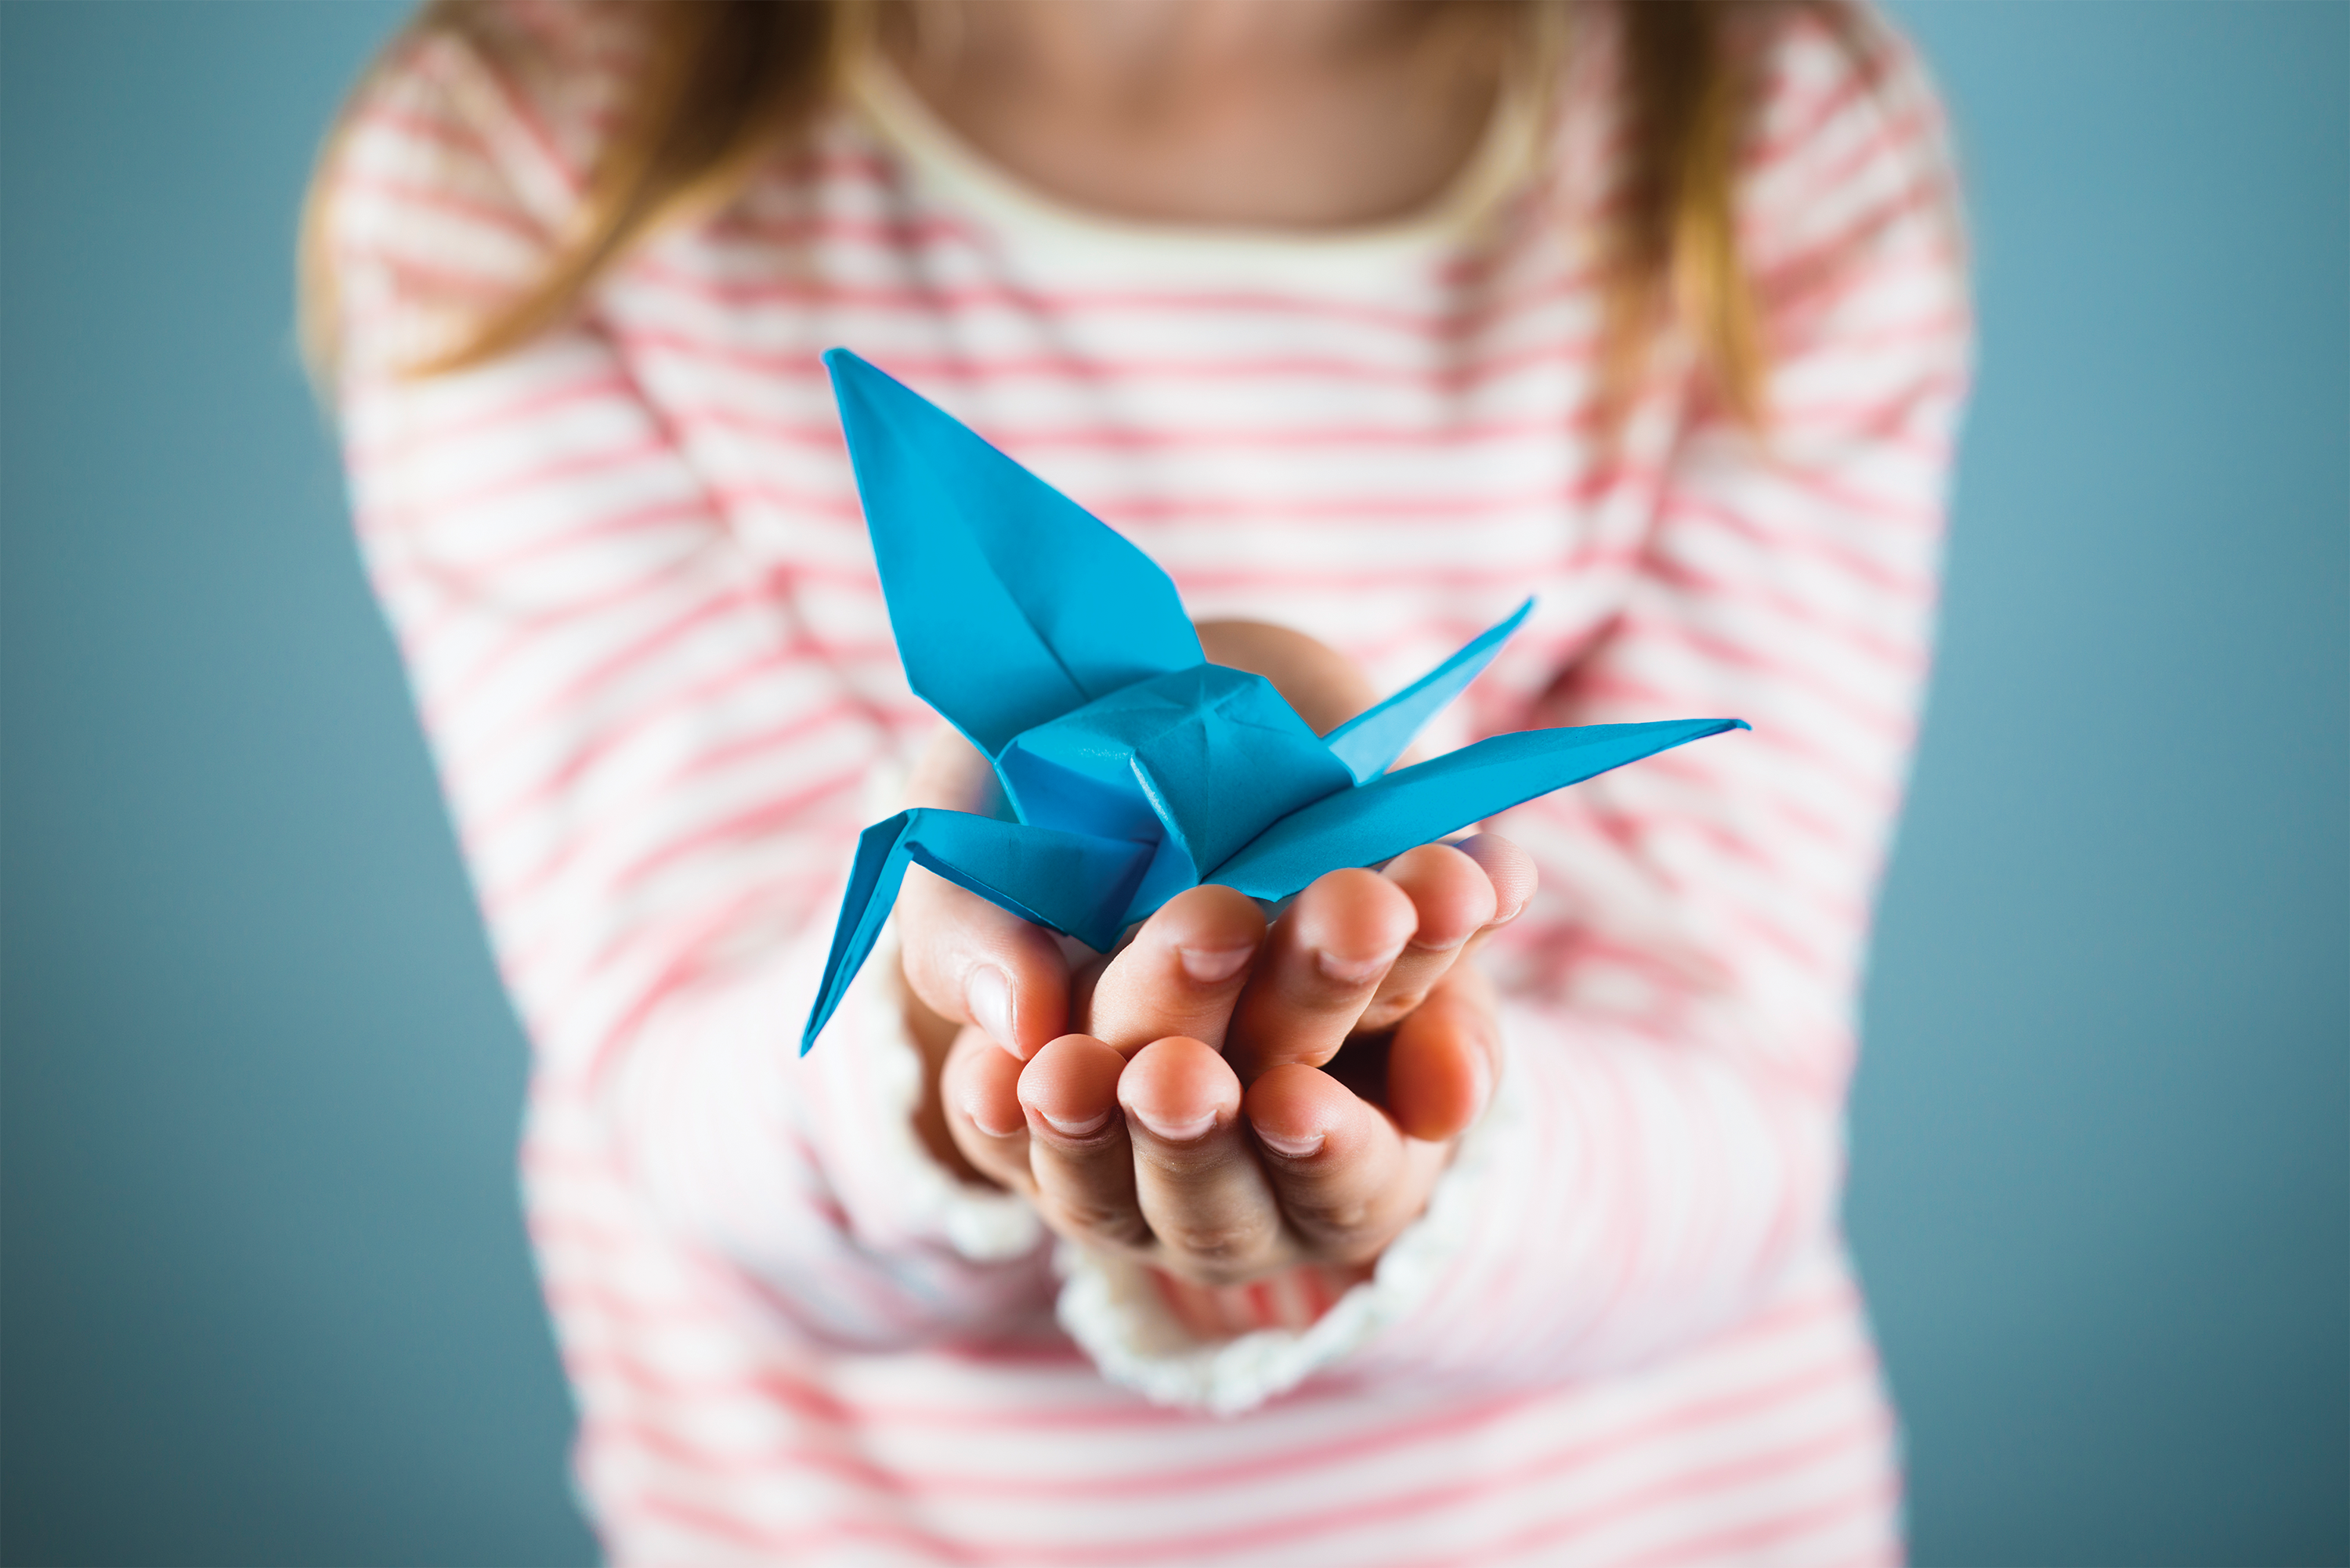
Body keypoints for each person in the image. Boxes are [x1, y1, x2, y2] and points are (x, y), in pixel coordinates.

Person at [306, 0, 1969, 1559]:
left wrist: (1437, 1145)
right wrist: (940, 1043)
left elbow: (1737, 1109)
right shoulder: (534, 159)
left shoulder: (1759, 128)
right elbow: (675, 1089)